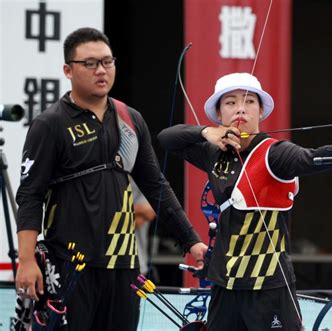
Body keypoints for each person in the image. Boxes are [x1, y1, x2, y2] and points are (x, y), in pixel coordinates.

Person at [158, 72, 332, 331]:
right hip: (226, 284)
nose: (240, 109)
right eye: (230, 102)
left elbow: (312, 159)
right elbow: (166, 138)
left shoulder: (275, 153)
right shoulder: (213, 152)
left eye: (249, 102)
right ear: (219, 114)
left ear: (260, 112)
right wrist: (206, 132)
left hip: (269, 286)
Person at [14, 27, 207, 331]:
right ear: (68, 70)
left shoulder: (130, 119)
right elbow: (29, 195)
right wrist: (26, 260)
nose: (101, 70)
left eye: (107, 61)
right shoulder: (50, 124)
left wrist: (192, 241)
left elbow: (156, 186)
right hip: (68, 264)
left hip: (124, 267)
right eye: (90, 63)